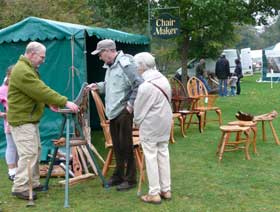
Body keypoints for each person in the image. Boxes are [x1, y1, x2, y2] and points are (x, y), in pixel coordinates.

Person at [7, 41, 79, 200]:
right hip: (22, 120)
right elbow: (40, 90)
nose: (43, 60)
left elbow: (34, 93)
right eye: (42, 57)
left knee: (36, 151)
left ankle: (32, 182)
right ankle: (20, 187)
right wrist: (64, 101)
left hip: (28, 119)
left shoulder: (27, 68)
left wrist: (48, 103)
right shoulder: (23, 71)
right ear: (32, 54)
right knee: (28, 154)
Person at [86, 39, 143, 191]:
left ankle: (130, 179)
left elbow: (139, 84)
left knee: (126, 146)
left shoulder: (126, 64)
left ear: (108, 51)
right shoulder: (110, 67)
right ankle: (118, 176)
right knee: (118, 146)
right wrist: (97, 86)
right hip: (113, 112)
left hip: (123, 111)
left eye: (100, 54)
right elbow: (111, 86)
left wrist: (130, 106)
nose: (99, 57)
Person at [133, 52, 172, 204]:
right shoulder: (163, 79)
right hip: (165, 121)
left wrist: (136, 122)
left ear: (142, 66)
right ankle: (166, 189)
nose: (136, 69)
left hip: (151, 124)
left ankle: (154, 192)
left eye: (137, 66)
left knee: (150, 156)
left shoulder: (145, 86)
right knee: (163, 153)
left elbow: (139, 110)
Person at [0, 65, 18, 181]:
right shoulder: (3, 89)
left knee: (21, 148)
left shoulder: (21, 87)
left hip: (23, 121)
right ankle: (12, 172)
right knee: (11, 146)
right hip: (10, 122)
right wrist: (2, 114)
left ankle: (19, 171)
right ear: (9, 76)